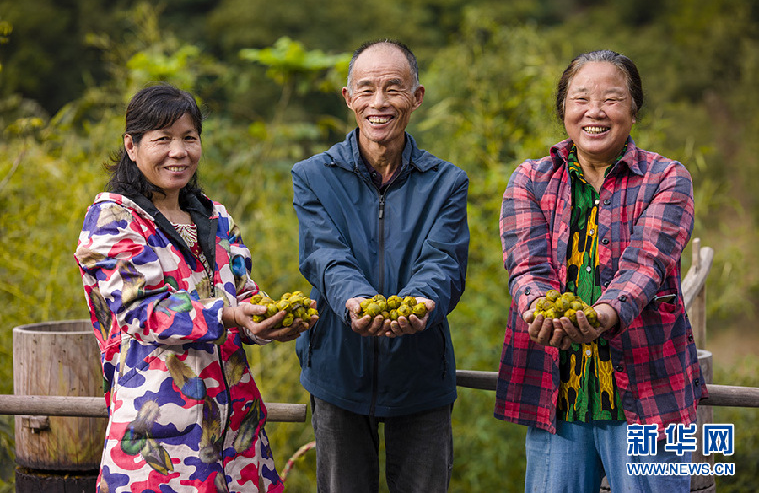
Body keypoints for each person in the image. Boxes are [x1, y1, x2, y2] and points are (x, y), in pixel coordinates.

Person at [75, 84, 315, 493]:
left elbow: (243, 294)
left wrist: (265, 320)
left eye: (189, 137)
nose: (178, 151)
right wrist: (227, 315)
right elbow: (142, 313)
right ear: (131, 146)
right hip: (161, 435)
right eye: (162, 139)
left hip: (235, 435)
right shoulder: (114, 219)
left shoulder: (215, 216)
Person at [494, 49, 708, 492]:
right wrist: (538, 308)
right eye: (580, 99)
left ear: (633, 110)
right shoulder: (530, 179)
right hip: (558, 400)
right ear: (564, 110)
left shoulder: (667, 177)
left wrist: (604, 315)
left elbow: (646, 264)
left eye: (611, 99)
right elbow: (526, 267)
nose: (594, 111)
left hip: (652, 399)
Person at [291, 39, 470, 492]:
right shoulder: (312, 175)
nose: (379, 102)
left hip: (421, 371)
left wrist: (420, 303)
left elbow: (443, 261)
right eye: (366, 89)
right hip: (337, 368)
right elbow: (324, 254)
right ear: (348, 98)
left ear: (417, 97)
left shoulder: (446, 182)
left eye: (394, 89)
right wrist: (358, 301)